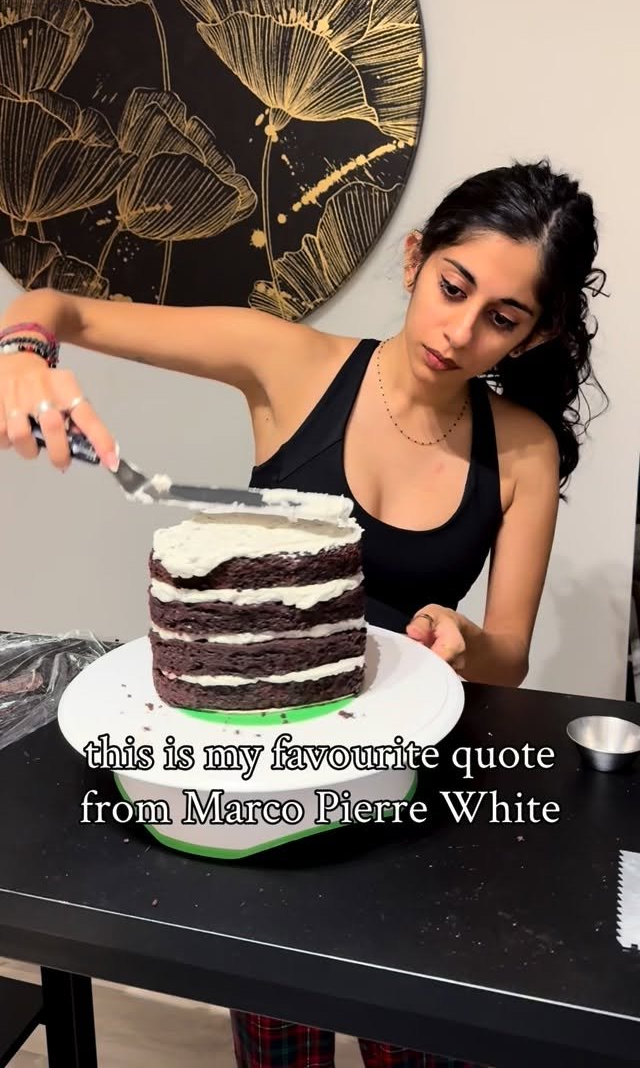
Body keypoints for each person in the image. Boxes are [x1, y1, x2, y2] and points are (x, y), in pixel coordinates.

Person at [0, 159, 606, 1066]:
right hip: (263, 786)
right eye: (454, 287)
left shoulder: (524, 450)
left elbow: (509, 655)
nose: (460, 331)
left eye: (502, 318)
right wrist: (22, 353)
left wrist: (466, 639)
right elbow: (58, 309)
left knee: (419, 1046)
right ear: (416, 259)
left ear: (536, 333)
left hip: (408, 794)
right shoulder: (287, 364)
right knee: (281, 1049)